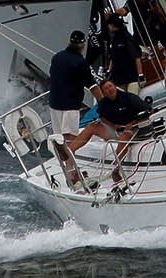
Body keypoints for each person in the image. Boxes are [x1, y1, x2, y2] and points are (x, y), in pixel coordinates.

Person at [62, 78, 152, 184]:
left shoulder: (130, 98)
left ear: (115, 87)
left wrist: (132, 123)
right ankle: (68, 152)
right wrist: (113, 126)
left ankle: (116, 170)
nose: (109, 89)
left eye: (110, 86)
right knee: (91, 127)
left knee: (124, 138)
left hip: (133, 128)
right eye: (106, 88)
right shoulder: (104, 104)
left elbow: (149, 110)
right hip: (116, 128)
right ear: (103, 93)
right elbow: (102, 117)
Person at [46, 30, 96, 185]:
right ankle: (72, 174)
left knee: (60, 139)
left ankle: (69, 169)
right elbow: (92, 86)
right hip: (70, 106)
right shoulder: (80, 62)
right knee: (70, 141)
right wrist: (104, 103)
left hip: (54, 104)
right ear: (83, 45)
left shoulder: (57, 57)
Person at [99, 12, 142, 94]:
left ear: (112, 25)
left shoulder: (127, 38)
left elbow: (137, 57)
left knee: (132, 97)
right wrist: (109, 70)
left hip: (132, 76)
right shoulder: (114, 39)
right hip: (119, 78)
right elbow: (113, 57)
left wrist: (140, 74)